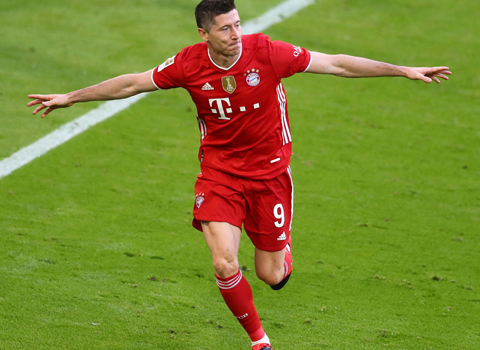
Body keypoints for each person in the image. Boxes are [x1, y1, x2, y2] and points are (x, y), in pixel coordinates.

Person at [27, 0, 451, 349]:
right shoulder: (188, 65)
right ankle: (260, 341)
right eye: (226, 28)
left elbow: (337, 64)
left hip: (269, 177)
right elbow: (131, 84)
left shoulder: (267, 52)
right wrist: (71, 97)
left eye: (238, 25)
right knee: (223, 260)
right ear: (204, 34)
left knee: (271, 275)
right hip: (219, 175)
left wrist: (401, 69)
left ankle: (282, 250)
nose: (236, 34)